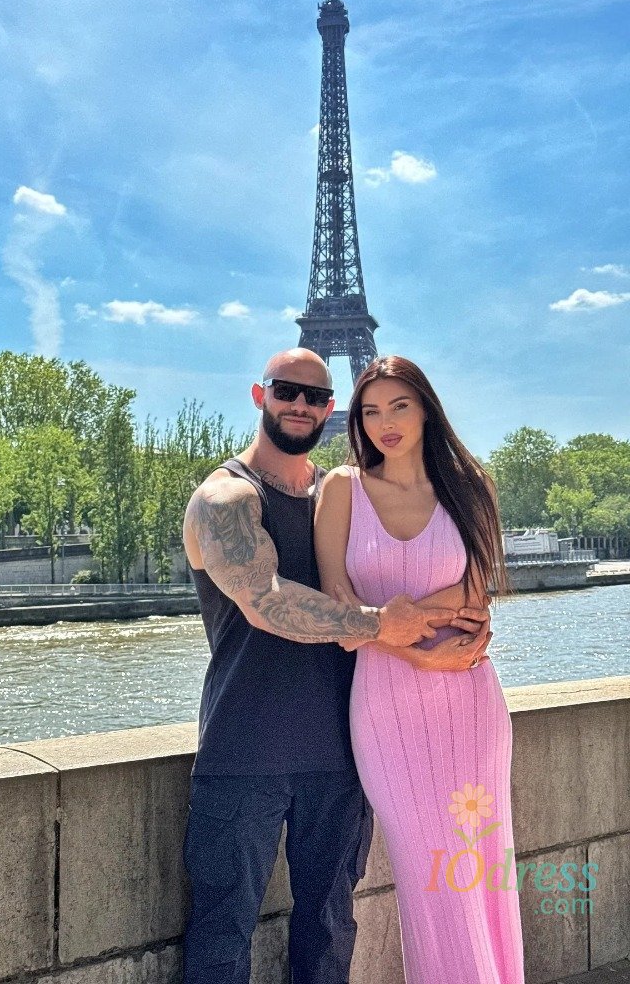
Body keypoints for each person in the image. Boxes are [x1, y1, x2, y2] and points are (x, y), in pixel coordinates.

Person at [181, 348, 491, 984]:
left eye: (317, 397)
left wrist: (446, 630)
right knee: (221, 935)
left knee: (329, 933)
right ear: (259, 395)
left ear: (330, 410)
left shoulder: (343, 493)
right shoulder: (225, 497)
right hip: (244, 750)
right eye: (285, 391)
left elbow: (414, 571)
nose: (300, 405)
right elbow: (266, 601)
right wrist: (382, 625)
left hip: (343, 750)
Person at [314, 355, 524, 983]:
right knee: (429, 875)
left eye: (399, 406)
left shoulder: (470, 488)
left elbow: (475, 593)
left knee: (482, 875)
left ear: (427, 408)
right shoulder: (342, 489)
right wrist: (416, 648)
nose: (386, 422)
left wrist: (388, 621)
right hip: (387, 711)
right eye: (371, 411)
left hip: (470, 705)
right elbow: (337, 611)